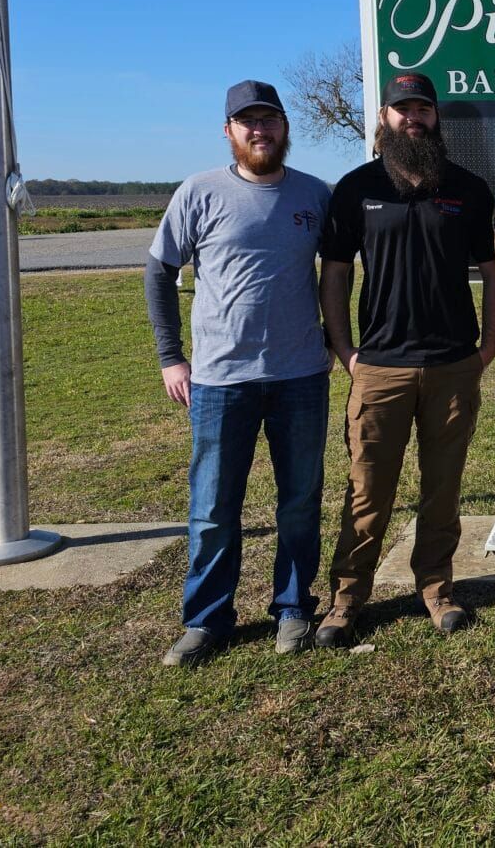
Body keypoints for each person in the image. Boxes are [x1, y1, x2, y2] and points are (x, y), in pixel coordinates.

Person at [315, 71, 495, 645]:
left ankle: (436, 588)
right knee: (368, 491)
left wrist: (489, 346)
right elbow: (336, 275)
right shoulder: (355, 188)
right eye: (403, 109)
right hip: (380, 366)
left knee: (442, 489)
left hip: (452, 364)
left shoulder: (468, 189)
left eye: (423, 108)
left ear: (435, 117)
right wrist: (345, 349)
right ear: (384, 118)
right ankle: (346, 599)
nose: (413, 118)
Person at [146, 80, 331, 666]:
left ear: (284, 127)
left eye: (269, 120)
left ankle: (294, 607)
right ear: (228, 132)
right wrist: (171, 357)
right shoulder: (199, 192)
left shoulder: (315, 195)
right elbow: (158, 274)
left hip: (301, 374)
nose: (260, 130)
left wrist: (337, 340)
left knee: (300, 501)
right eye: (247, 122)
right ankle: (206, 620)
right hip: (221, 379)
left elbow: (343, 269)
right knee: (213, 508)